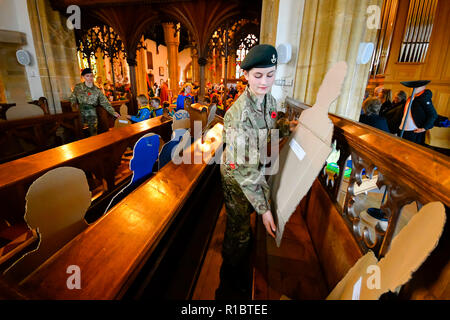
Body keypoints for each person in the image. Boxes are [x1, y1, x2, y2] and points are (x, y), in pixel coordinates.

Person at [216, 44, 296, 299]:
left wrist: (287, 127)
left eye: (270, 74)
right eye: (258, 75)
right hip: (237, 175)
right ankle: (229, 282)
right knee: (238, 229)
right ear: (247, 75)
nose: (264, 81)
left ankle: (240, 265)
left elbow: (270, 127)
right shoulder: (238, 115)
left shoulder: (269, 100)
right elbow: (243, 169)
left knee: (248, 225)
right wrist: (264, 210)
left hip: (254, 166)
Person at [69, 68, 119, 137]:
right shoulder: (78, 87)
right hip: (79, 113)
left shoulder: (96, 90)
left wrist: (113, 112)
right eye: (87, 76)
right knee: (80, 134)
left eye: (91, 76)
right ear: (83, 77)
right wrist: (74, 107)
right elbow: (72, 98)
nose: (90, 78)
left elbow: (105, 102)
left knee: (93, 133)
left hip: (92, 113)